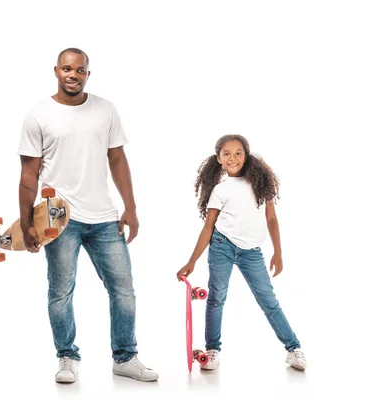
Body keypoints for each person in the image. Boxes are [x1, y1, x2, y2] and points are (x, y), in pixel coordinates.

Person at [17, 48, 158, 383]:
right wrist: (25, 222)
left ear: (87, 74)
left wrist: (131, 208)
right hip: (58, 219)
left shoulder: (105, 110)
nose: (73, 75)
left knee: (123, 289)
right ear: (56, 71)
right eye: (67, 69)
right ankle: (67, 357)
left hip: (104, 218)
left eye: (80, 70)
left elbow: (118, 160)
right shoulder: (38, 115)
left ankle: (125, 357)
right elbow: (28, 174)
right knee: (61, 291)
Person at [176, 134, 307, 371]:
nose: (232, 158)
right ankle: (212, 350)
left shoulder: (261, 184)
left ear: (246, 156)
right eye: (226, 154)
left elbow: (272, 219)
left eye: (238, 153)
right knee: (216, 298)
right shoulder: (220, 189)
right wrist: (192, 261)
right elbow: (208, 227)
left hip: (251, 253)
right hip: (222, 246)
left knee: (269, 301)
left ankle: (293, 348)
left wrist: (278, 252)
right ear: (218, 158)